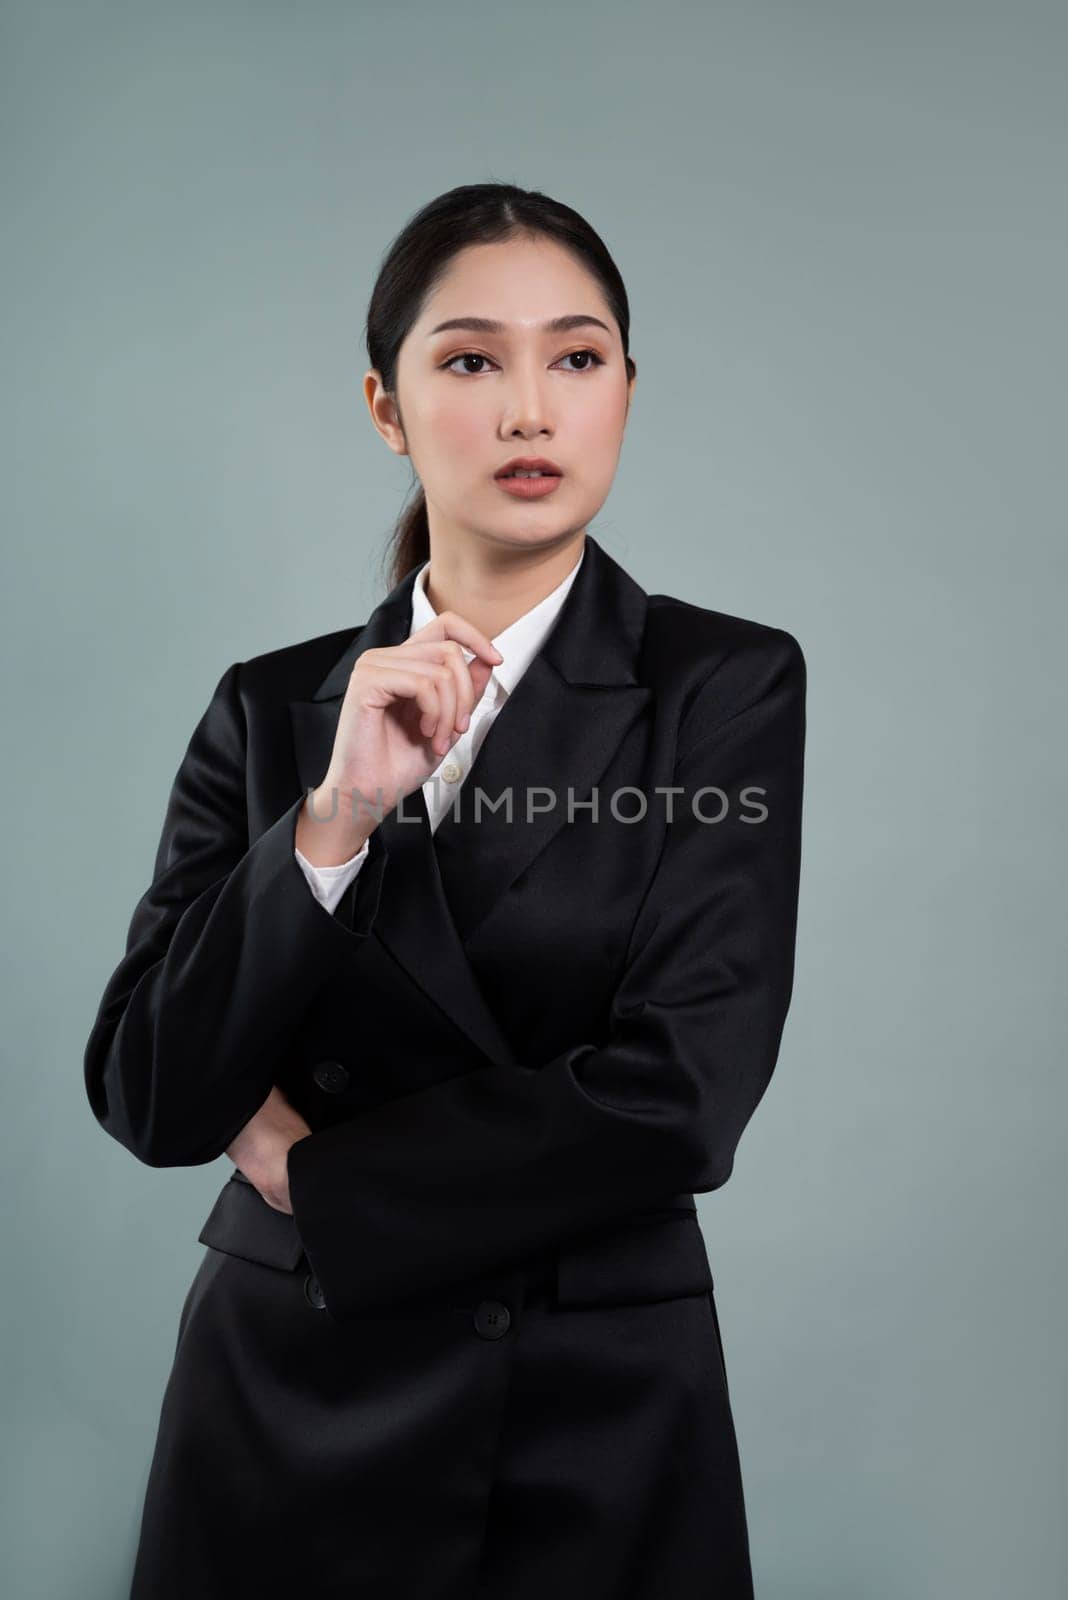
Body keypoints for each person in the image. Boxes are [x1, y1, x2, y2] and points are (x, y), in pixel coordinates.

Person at [84, 181, 806, 1599]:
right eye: (472, 360)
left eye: (577, 357)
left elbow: (681, 1094)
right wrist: (333, 821)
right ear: (386, 407)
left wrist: (322, 1176)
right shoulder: (271, 707)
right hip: (286, 1398)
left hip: (590, 1405)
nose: (531, 410)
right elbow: (151, 1090)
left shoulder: (719, 686)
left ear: (627, 391)